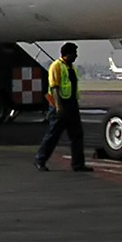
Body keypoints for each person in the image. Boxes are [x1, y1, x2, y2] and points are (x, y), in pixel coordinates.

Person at [34, 42, 91, 172]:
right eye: (74, 53)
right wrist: (59, 107)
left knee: (77, 135)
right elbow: (54, 87)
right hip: (60, 105)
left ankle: (78, 164)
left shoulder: (71, 67)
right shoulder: (56, 66)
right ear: (68, 54)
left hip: (71, 105)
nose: (76, 56)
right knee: (53, 135)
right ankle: (40, 159)